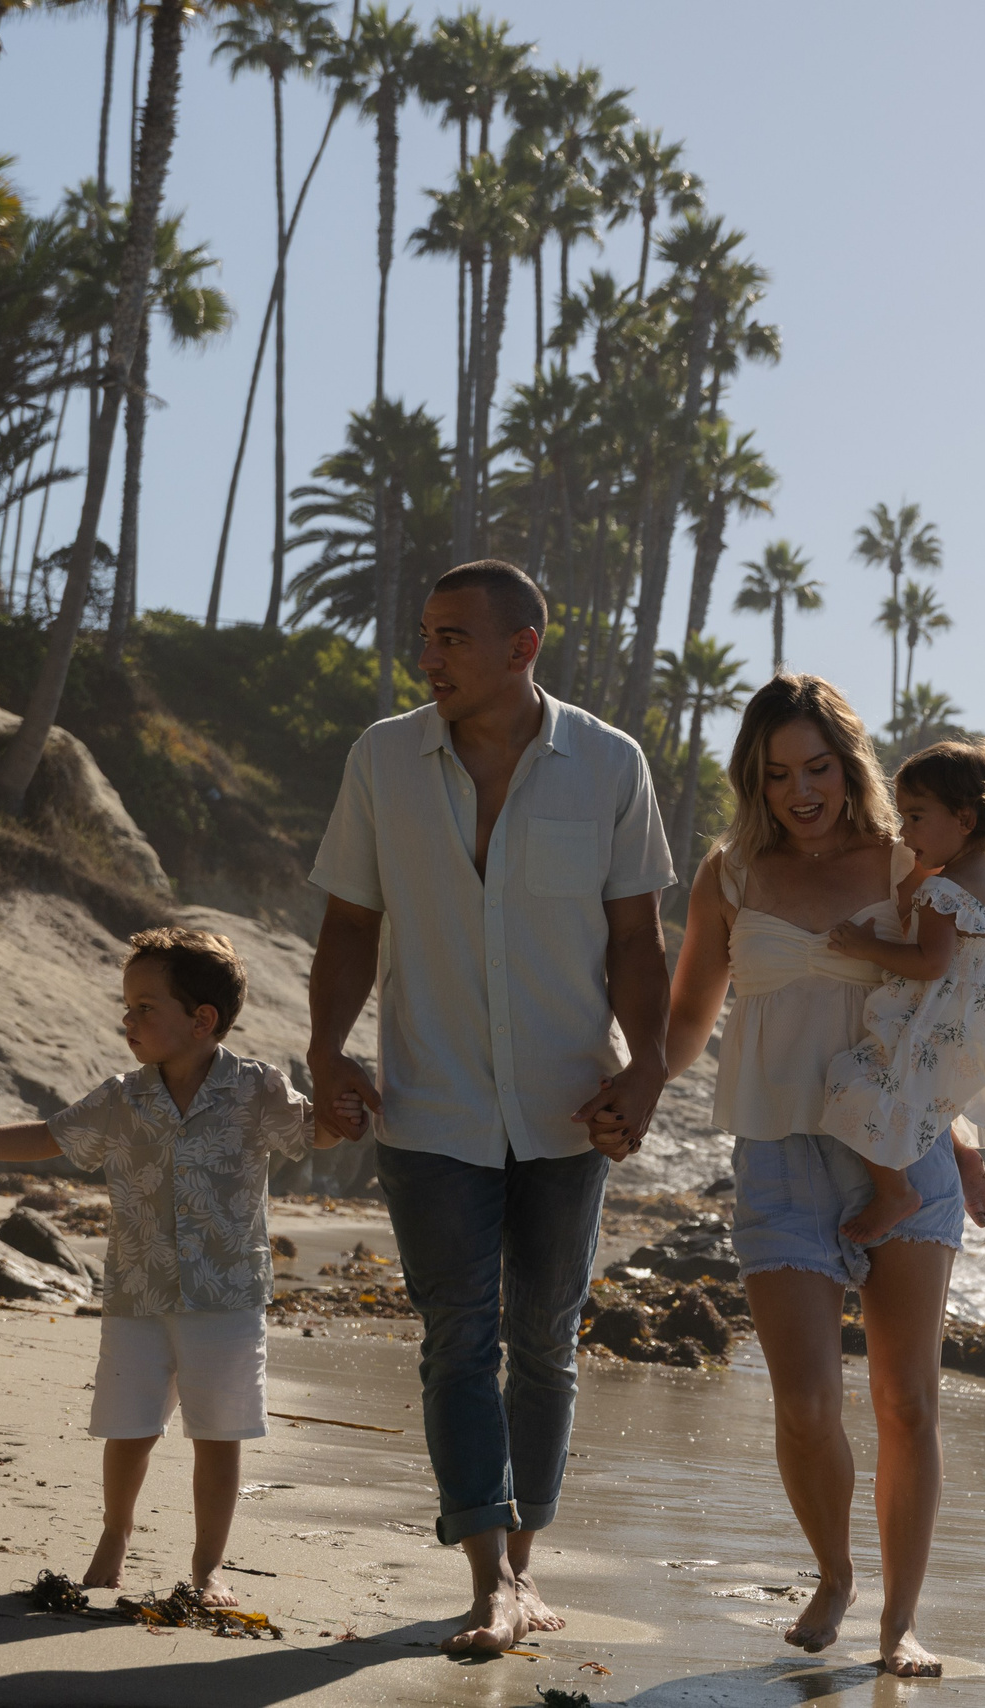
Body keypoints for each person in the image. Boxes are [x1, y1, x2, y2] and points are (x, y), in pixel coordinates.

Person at [305, 559, 675, 1655]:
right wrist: (326, 1047)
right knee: (458, 1339)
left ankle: (523, 1559)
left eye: (453, 636)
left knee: (547, 1342)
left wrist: (648, 1067)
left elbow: (636, 939)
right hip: (429, 1100)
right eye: (425, 634)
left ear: (523, 647)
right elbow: (350, 923)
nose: (428, 655)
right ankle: (487, 1578)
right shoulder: (382, 758)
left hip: (569, 1107)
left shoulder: (609, 763)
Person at [657, 672, 965, 1678]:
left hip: (902, 1150)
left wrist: (963, 1143)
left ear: (848, 764)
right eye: (778, 773)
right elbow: (690, 1013)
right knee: (803, 1405)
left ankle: (900, 1622)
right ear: (754, 778)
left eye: (818, 768)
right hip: (780, 1156)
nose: (801, 791)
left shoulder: (907, 863)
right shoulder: (731, 874)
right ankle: (835, 1571)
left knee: (906, 1402)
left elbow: (950, 1014)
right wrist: (635, 1083)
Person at [0, 927, 336, 1607]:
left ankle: (208, 1567)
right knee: (129, 1428)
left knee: (219, 1436)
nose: (128, 1020)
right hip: (136, 1293)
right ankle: (115, 1533)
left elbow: (315, 1132)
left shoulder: (256, 1088)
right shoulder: (122, 1097)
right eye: (127, 1007)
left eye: (144, 1008)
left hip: (226, 1296)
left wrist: (348, 1110)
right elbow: (48, 1137)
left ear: (202, 1019)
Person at [820, 739, 985, 1243]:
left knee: (855, 1084)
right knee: (924, 1096)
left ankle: (895, 1192)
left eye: (915, 817)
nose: (902, 831)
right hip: (981, 1017)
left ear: (964, 819)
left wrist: (867, 946)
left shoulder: (944, 891)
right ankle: (963, 1156)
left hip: (936, 1016)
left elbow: (930, 964)